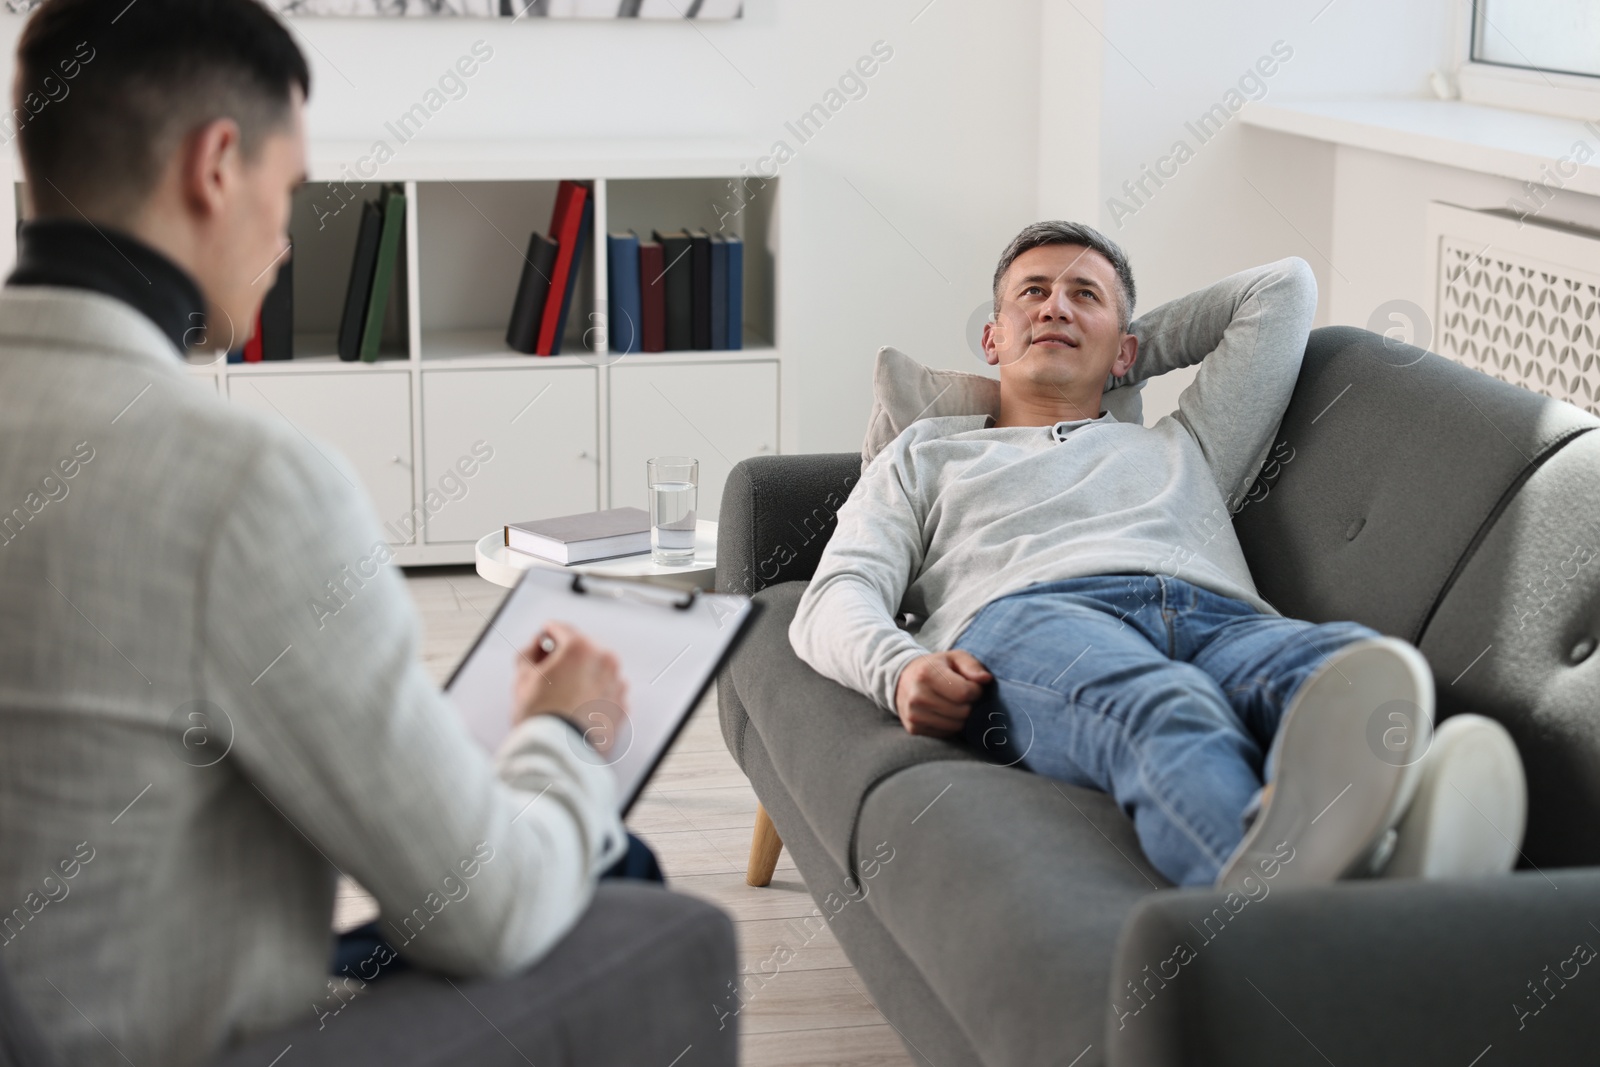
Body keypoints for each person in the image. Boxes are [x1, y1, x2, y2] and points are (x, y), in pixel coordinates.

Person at [0, 1, 731, 1065]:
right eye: (290, 187)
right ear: (215, 166)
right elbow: (483, 908)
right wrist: (564, 732)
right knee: (658, 913)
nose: (290, 234)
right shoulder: (241, 482)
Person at [790, 220, 1527, 891]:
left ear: (1128, 346)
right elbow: (835, 592)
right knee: (1171, 706)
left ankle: (1365, 866)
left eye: (1085, 295)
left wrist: (1122, 359)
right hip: (1031, 618)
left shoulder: (1187, 444)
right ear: (991, 338)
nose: (1054, 309)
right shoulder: (927, 453)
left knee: (1348, 669)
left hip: (1218, 616)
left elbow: (1282, 288)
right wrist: (898, 669)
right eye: (1033, 295)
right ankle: (1290, 918)